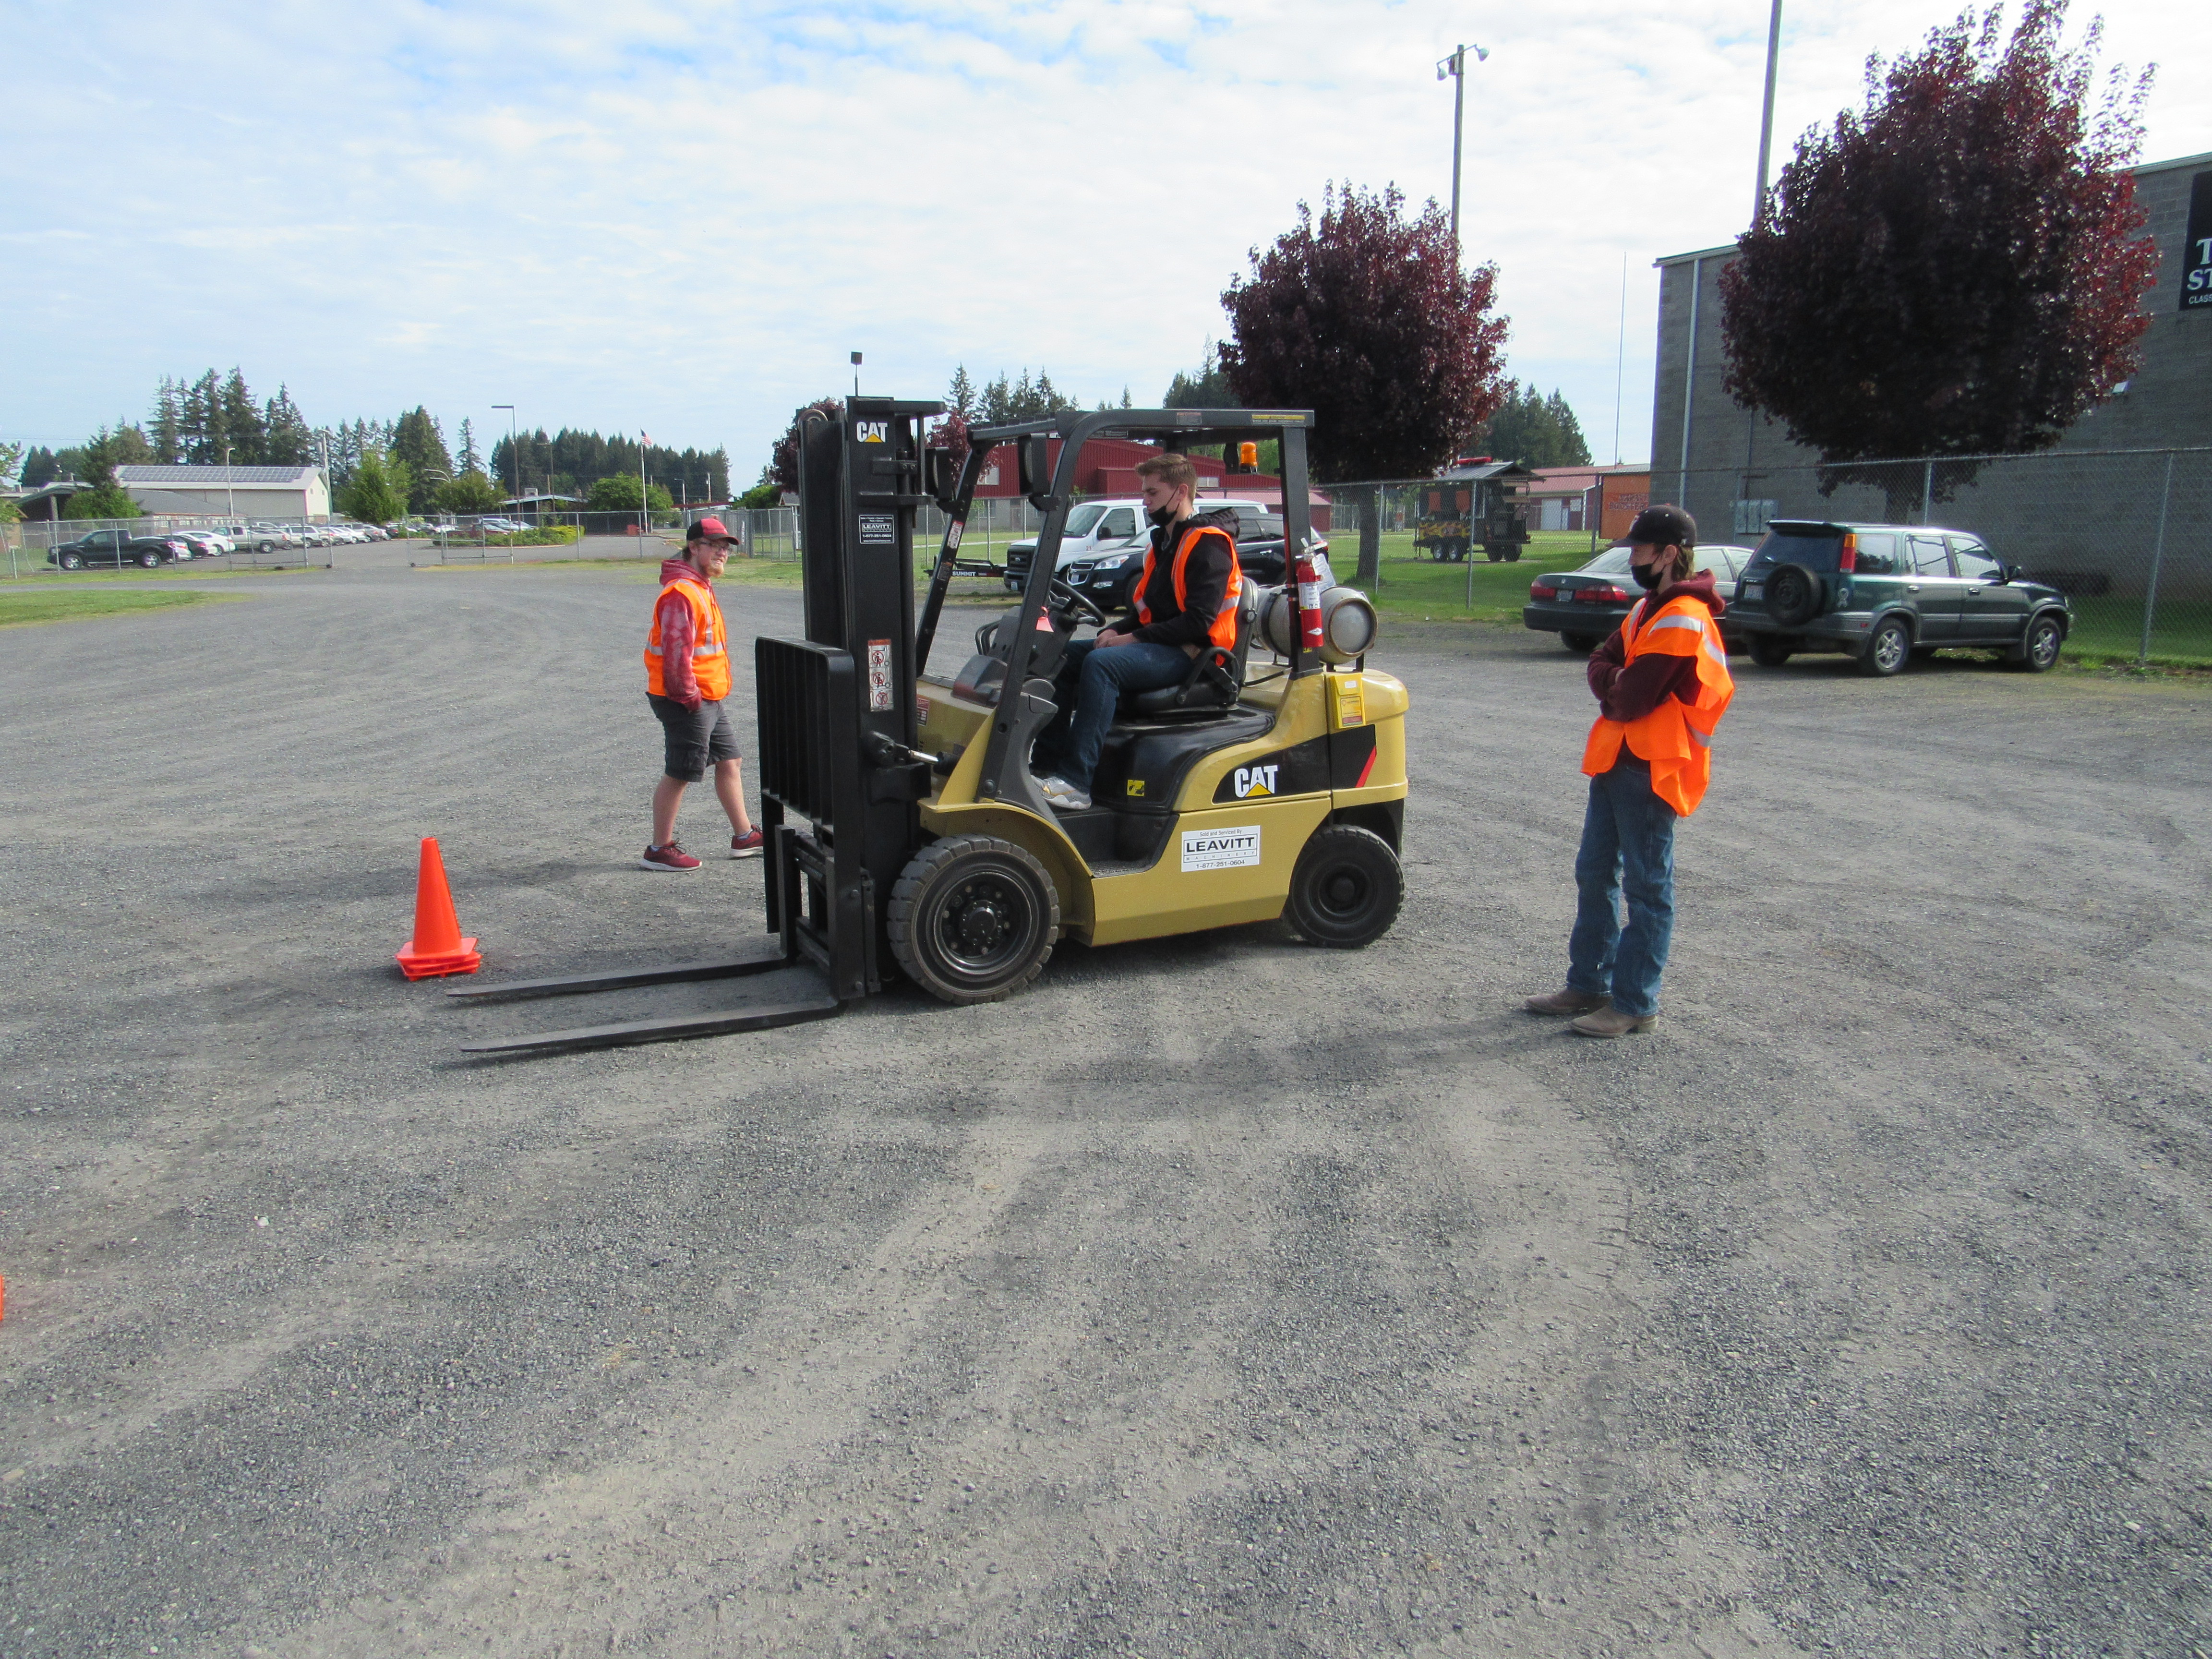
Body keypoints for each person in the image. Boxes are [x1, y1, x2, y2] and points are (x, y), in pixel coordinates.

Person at [1524, 504, 1734, 1036]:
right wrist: (1612, 676)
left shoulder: (1684, 617)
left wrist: (1611, 679)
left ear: (1668, 555)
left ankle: (1636, 1002)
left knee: (1647, 886)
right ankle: (1589, 983)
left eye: (1640, 549)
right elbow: (1603, 661)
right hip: (1619, 759)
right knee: (1595, 873)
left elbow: (1631, 696)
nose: (1631, 556)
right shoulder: (1649, 610)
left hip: (1654, 766)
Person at [1033, 453, 1243, 811]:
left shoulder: (1209, 545)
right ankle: (1047, 766)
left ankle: (1076, 783)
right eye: (1144, 493)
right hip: (1165, 645)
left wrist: (1130, 639)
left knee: (1103, 665)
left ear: (1180, 493)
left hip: (1194, 656)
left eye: (1152, 493)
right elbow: (1147, 611)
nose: (1145, 502)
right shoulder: (1163, 543)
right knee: (1063, 657)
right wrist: (1115, 629)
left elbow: (1198, 622)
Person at [640, 516, 765, 871]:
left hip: (706, 696)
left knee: (730, 761)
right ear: (694, 547)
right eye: (715, 546)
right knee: (681, 771)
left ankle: (745, 837)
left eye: (726, 548)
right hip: (686, 697)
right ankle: (659, 849)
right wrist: (688, 696)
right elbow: (677, 651)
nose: (722, 553)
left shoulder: (699, 585)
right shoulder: (682, 592)